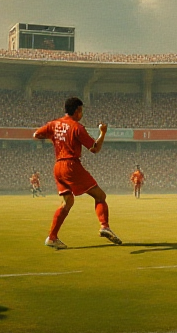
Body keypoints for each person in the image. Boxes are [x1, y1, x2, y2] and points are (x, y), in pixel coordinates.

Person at [33, 97, 122, 249]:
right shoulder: (77, 127)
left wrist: (54, 140)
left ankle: (52, 237)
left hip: (58, 166)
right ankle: (104, 226)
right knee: (100, 196)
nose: (82, 114)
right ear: (77, 110)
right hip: (71, 165)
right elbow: (94, 148)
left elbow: (36, 135)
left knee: (68, 202)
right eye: (81, 110)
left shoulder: (54, 124)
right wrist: (103, 132)